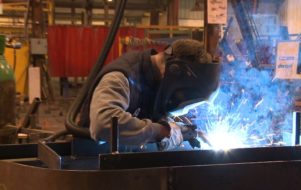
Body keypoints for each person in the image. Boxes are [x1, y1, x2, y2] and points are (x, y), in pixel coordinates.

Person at [79, 39, 220, 150]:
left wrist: (183, 128)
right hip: (92, 158)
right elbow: (103, 124)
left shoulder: (156, 80)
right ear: (174, 71)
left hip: (125, 159)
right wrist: (164, 131)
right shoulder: (120, 78)